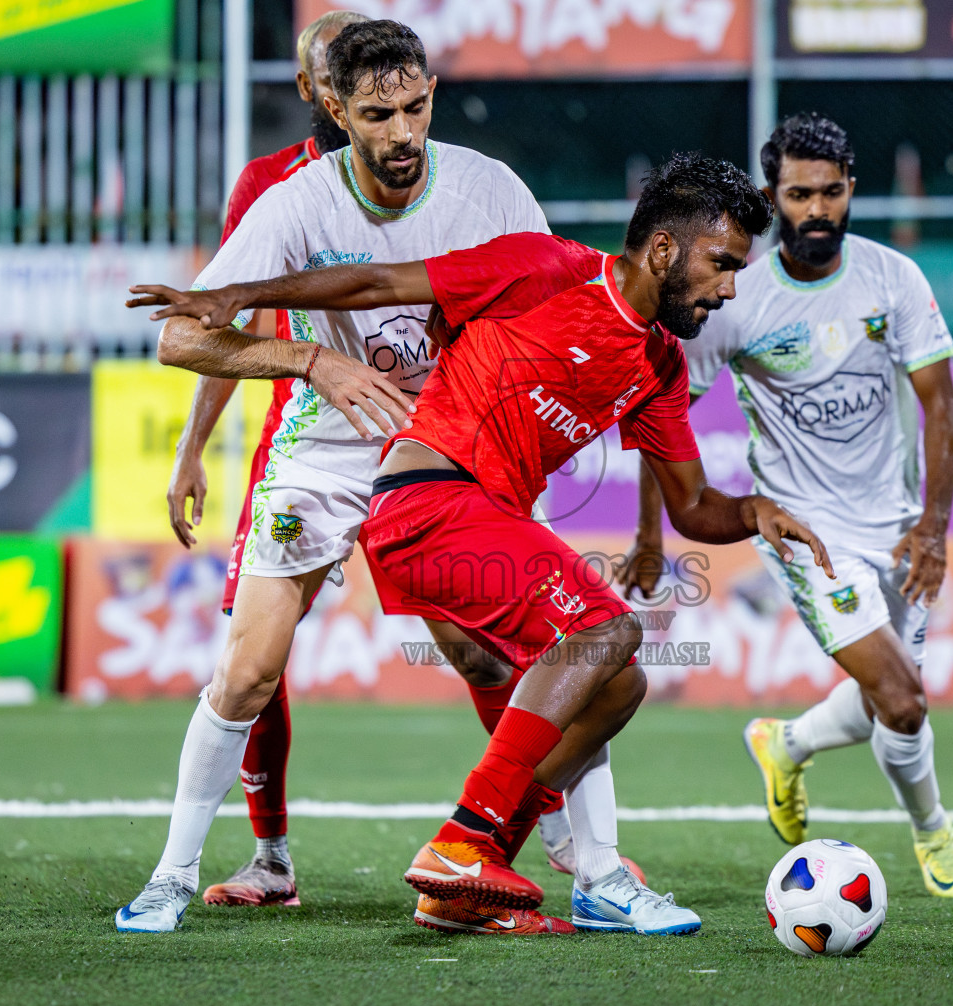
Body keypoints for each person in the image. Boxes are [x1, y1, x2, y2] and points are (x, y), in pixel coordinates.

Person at [131, 152, 835, 935]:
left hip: (483, 518)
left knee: (616, 686)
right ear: (664, 251)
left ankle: (472, 881)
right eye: (723, 264)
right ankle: (469, 843)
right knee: (602, 631)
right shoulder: (547, 268)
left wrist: (759, 512)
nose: (730, 287)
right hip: (425, 495)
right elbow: (376, 282)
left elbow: (696, 506)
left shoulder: (661, 363)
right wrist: (239, 293)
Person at [116, 19, 638, 937]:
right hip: (324, 444)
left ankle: (594, 868)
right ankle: (171, 875)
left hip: (451, 451)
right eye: (377, 115)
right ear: (334, 110)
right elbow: (183, 335)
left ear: (432, 90)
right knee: (246, 676)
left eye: (414, 107)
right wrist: (312, 364)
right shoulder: (292, 204)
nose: (401, 133)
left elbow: (549, 312)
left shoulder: (491, 191)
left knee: (527, 650)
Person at [626, 113, 953, 899]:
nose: (816, 209)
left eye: (830, 192)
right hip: (802, 529)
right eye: (798, 194)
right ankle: (934, 835)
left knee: (892, 703)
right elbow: (661, 410)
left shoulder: (893, 280)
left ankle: (786, 744)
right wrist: (650, 535)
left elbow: (941, 407)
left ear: (851, 190)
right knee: (904, 698)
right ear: (771, 196)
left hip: (893, 526)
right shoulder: (736, 295)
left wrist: (932, 527)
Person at [166, 6, 365, 912]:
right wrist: (192, 448)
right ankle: (271, 856)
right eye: (333, 71)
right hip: (306, 443)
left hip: (422, 436)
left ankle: (556, 839)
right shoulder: (271, 185)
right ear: (310, 89)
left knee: (477, 638)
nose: (346, 86)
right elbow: (224, 323)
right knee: (254, 660)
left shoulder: (434, 180)